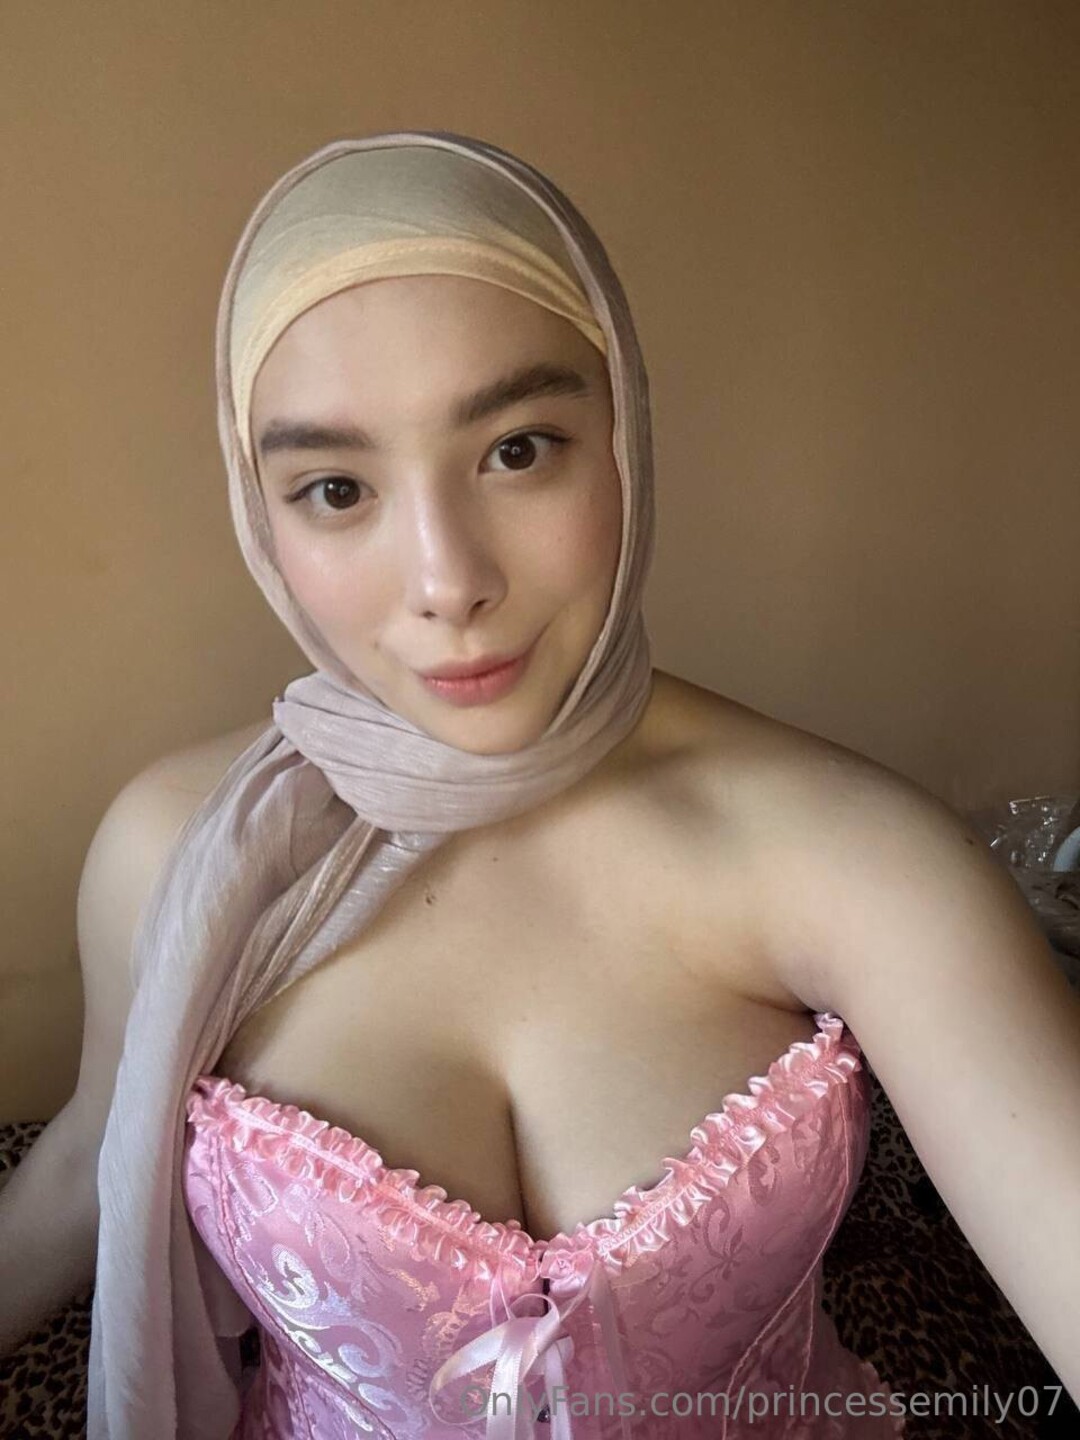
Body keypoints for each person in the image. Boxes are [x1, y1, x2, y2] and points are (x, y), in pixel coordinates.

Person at [1, 129, 1078, 1440]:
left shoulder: (853, 859)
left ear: (622, 434)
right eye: (335, 488)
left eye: (517, 450)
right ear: (259, 513)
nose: (448, 580)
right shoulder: (180, 852)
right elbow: (89, 1162)